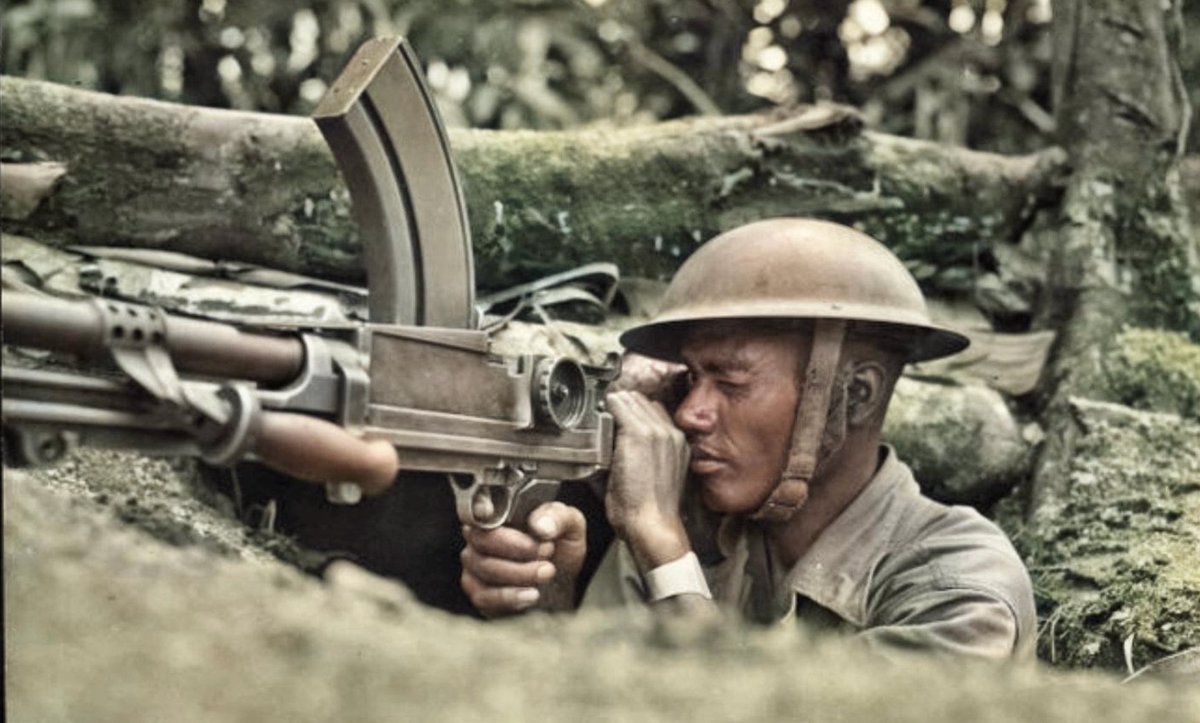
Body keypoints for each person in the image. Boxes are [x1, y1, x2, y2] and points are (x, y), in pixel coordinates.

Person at [459, 217, 1036, 659]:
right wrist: (546, 605)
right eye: (691, 379)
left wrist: (665, 551)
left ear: (856, 395)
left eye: (730, 382)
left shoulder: (957, 585)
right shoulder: (696, 526)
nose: (690, 413)